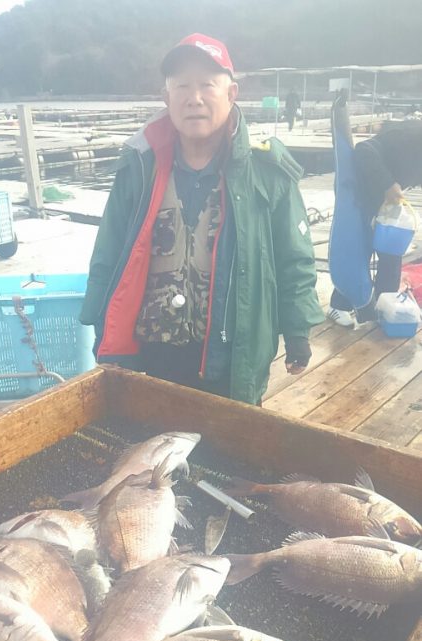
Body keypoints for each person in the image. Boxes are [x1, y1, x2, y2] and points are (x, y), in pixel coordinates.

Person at [80, 33, 324, 405]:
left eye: (207, 85)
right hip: (151, 354)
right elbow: (108, 254)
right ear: (166, 98)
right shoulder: (137, 168)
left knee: (228, 454)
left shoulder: (267, 173)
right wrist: (102, 330)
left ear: (232, 93)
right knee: (153, 453)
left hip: (230, 356)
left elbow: (294, 259)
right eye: (182, 87)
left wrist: (297, 332)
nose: (194, 98)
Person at [328, 119, 422, 326]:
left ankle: (384, 307)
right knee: (358, 250)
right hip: (359, 189)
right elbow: (364, 150)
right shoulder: (413, 136)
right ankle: (338, 304)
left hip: (386, 200)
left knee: (391, 252)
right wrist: (387, 183)